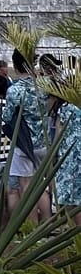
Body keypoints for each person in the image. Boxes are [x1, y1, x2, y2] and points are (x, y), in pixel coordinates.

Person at [2, 49, 51, 221]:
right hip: (44, 142)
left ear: (15, 66)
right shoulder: (44, 86)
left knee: (26, 186)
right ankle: (47, 223)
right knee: (41, 186)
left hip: (24, 144)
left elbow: (6, 118)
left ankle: (33, 228)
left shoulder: (14, 91)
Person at [47, 89, 81, 225]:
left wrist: (53, 152)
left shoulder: (66, 108)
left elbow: (59, 132)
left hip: (69, 156)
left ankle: (74, 231)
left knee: (69, 196)